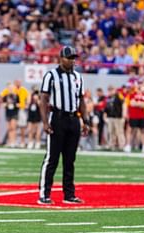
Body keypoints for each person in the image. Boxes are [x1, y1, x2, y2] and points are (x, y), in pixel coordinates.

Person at [37, 46, 89, 205]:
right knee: (52, 158)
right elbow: (44, 99)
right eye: (69, 58)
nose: (72, 61)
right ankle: (44, 194)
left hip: (73, 119)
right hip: (57, 117)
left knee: (70, 159)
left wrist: (85, 121)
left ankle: (69, 194)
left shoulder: (77, 77)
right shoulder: (51, 75)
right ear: (61, 58)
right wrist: (45, 122)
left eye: (74, 58)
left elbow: (81, 100)